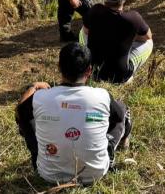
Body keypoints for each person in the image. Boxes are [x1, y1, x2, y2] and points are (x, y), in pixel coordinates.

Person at [16, 43, 132, 185]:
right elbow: (119, 117)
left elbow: (20, 112)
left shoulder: (40, 98)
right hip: (95, 174)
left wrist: (32, 87)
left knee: (25, 116)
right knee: (122, 111)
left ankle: (38, 153)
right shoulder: (101, 96)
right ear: (89, 70)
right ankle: (110, 150)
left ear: (59, 67)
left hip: (48, 174)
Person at [80, 0, 153, 84]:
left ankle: (86, 60)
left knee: (83, 30)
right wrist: (129, 37)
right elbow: (148, 36)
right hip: (121, 77)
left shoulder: (95, 11)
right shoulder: (133, 18)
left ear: (105, 1)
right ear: (123, 0)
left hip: (94, 73)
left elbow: (86, 31)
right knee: (149, 42)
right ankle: (130, 69)